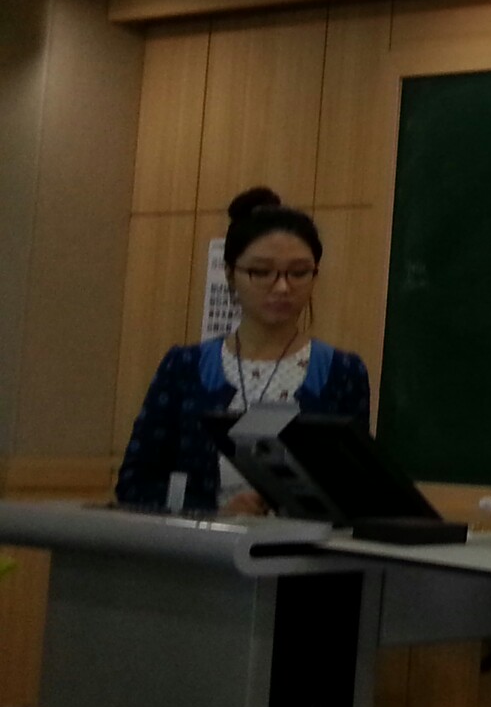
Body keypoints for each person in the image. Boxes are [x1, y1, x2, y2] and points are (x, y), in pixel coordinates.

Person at [115, 188, 372, 514]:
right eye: (261, 272)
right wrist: (212, 509)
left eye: (299, 272)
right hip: (203, 541)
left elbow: (355, 489)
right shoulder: (185, 366)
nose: (282, 287)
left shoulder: (341, 371)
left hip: (299, 543)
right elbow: (135, 483)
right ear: (230, 275)